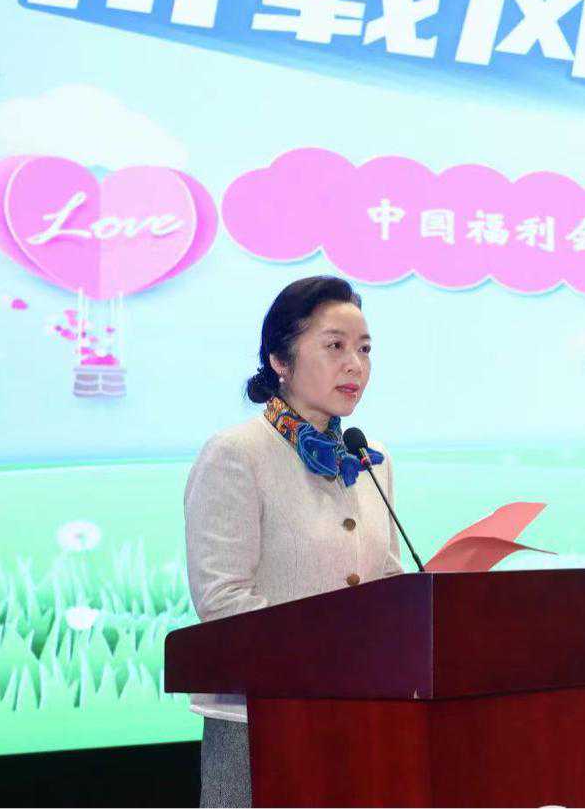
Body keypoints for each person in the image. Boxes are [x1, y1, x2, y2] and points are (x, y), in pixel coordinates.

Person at [185, 276, 403, 808]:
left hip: (364, 717)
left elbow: (385, 582)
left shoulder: (370, 457)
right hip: (260, 724)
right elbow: (223, 601)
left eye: (364, 349)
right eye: (335, 346)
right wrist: (333, 656)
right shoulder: (236, 454)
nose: (355, 365)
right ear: (280, 359)